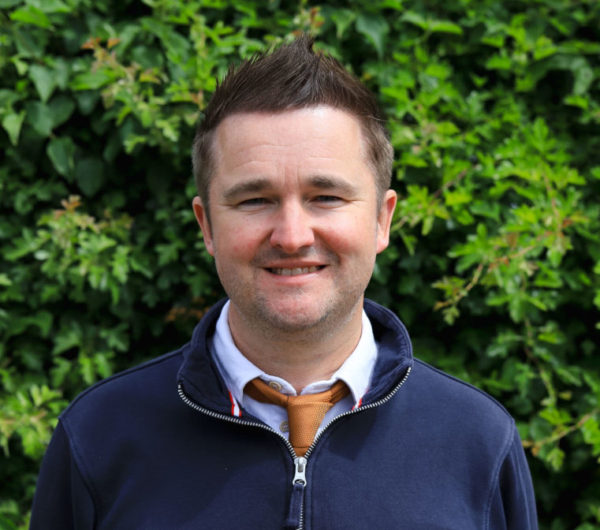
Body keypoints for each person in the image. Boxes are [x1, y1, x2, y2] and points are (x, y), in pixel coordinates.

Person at [30, 36, 538, 529]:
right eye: (255, 200)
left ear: (382, 221)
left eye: (326, 197)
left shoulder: (479, 440)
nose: (292, 236)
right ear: (207, 226)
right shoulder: (99, 436)